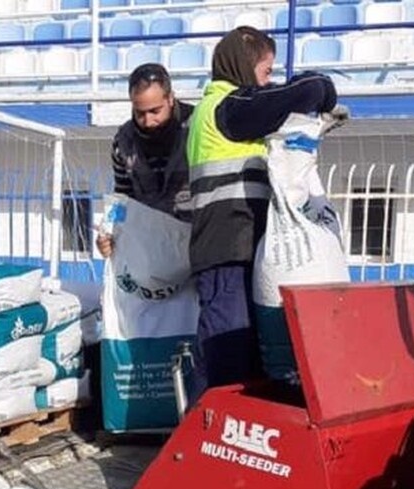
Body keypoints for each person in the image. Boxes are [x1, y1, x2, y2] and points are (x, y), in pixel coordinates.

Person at [186, 26, 338, 399]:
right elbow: (306, 91)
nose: (268, 81)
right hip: (226, 251)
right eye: (266, 71)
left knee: (249, 356)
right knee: (227, 356)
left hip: (238, 249)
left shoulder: (227, 110)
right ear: (243, 64)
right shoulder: (227, 108)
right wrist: (323, 89)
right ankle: (206, 437)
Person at [97, 63, 194, 258]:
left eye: (155, 111)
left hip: (194, 245)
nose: (148, 121)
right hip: (149, 248)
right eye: (140, 113)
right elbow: (123, 199)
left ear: (170, 98)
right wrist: (109, 233)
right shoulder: (123, 141)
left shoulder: (198, 128)